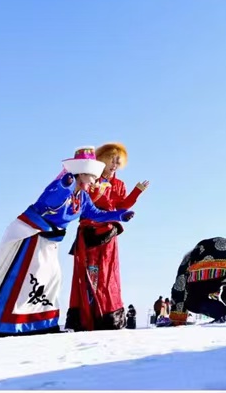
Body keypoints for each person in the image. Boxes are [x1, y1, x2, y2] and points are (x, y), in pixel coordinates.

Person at [0, 147, 135, 339]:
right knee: (27, 277)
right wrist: (64, 185)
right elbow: (50, 199)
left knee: (52, 278)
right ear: (82, 173)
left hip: (50, 240)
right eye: (91, 176)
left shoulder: (82, 197)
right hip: (32, 236)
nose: (94, 181)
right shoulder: (63, 185)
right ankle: (3, 324)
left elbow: (95, 214)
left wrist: (120, 215)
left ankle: (39, 324)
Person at [66, 142, 149, 332]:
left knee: (107, 273)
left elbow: (122, 206)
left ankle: (108, 316)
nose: (114, 165)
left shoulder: (119, 184)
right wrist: (99, 191)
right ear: (101, 160)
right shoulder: (91, 180)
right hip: (88, 229)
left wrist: (137, 192)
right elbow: (85, 205)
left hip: (109, 231)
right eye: (111, 160)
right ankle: (84, 317)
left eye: (118, 162)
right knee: (87, 272)